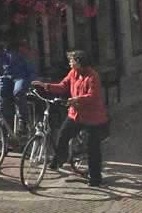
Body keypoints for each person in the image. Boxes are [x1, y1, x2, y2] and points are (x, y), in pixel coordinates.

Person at [32, 49, 109, 187]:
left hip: (93, 117)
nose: (69, 63)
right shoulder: (73, 73)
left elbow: (93, 96)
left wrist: (77, 99)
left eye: (71, 60)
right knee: (63, 134)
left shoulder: (93, 76)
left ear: (79, 62)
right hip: (76, 115)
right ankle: (60, 159)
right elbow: (63, 86)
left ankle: (96, 179)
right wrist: (46, 86)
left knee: (93, 148)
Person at [0, 43, 35, 135]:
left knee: (18, 92)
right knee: (2, 101)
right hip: (5, 78)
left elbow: (30, 65)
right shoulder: (0, 50)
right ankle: (7, 133)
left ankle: (23, 122)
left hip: (19, 77)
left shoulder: (20, 49)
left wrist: (30, 79)